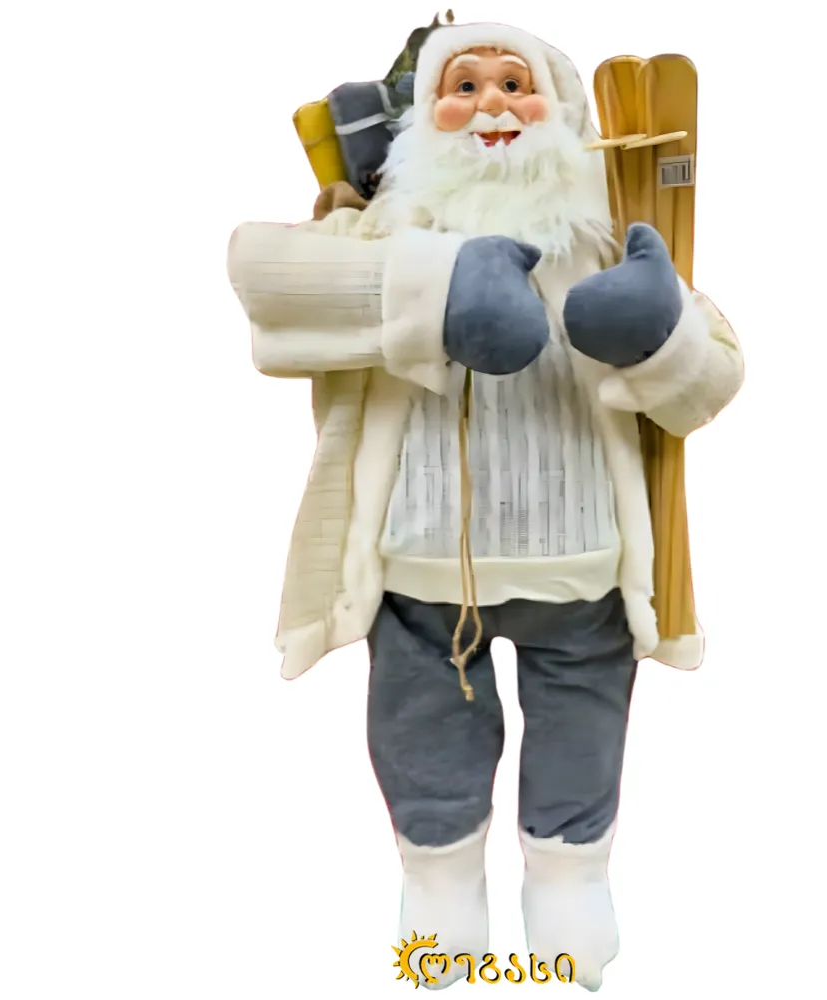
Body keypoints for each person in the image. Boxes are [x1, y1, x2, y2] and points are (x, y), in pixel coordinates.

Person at [227, 20, 743, 991]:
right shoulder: (382, 230)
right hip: (419, 572)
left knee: (581, 736)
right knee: (425, 742)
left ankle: (570, 886)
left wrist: (659, 333)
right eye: (463, 85)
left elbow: (713, 376)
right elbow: (270, 287)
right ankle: (439, 895)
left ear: (563, 109)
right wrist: (436, 286)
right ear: (423, 115)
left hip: (581, 564)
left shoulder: (613, 234)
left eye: (515, 81)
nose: (493, 103)